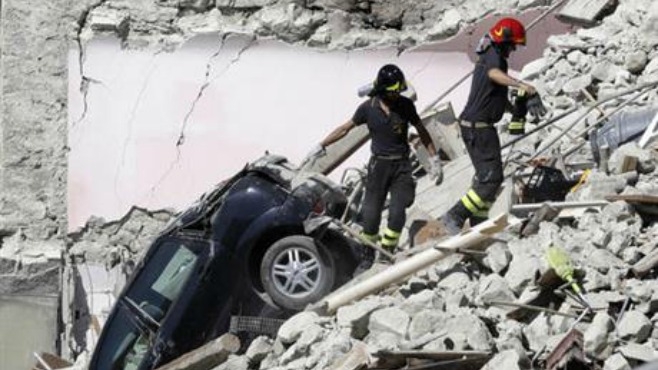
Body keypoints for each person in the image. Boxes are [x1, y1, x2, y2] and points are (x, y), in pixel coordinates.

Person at [309, 64, 441, 255]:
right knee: (370, 216)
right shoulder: (367, 109)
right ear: (381, 91)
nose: (396, 95)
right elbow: (345, 128)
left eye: (399, 91)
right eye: (392, 92)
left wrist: (434, 158)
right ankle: (368, 252)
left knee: (397, 213)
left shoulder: (405, 106)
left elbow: (421, 130)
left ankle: (388, 250)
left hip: (401, 167)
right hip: (379, 166)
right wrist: (322, 145)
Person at [440, 17, 546, 233]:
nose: (513, 49)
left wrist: (514, 109)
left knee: (486, 179)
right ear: (504, 40)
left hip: (478, 126)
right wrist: (523, 85)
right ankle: (455, 215)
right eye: (512, 44)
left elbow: (493, 93)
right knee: (491, 178)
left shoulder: (492, 55)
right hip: (478, 128)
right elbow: (494, 75)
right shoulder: (493, 57)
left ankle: (479, 223)